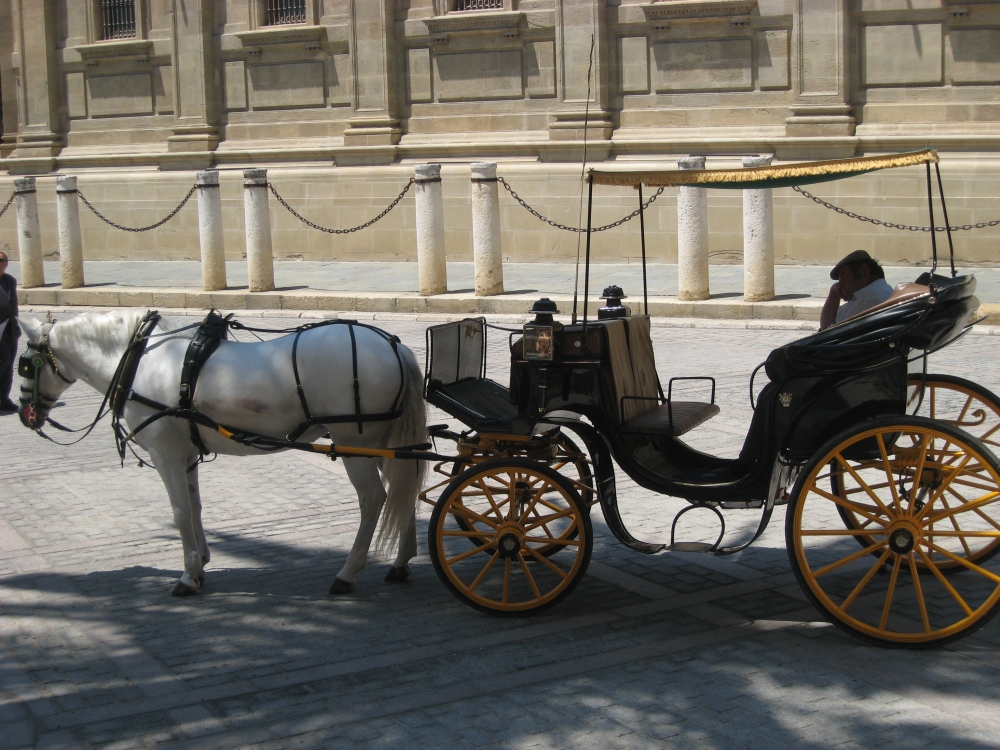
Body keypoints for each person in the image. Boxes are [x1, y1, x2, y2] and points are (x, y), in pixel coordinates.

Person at [819, 250, 894, 330]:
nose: (840, 286)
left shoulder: (869, 299)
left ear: (864, 272)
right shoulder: (883, 291)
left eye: (844, 278)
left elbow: (827, 331)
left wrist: (833, 293)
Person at [0, 251, 20, 412]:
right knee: (3, 361)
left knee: (8, 364)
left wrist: (16, 325)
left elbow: (13, 305)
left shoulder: (10, 281)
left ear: (6, 263)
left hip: (10, 329)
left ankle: (4, 398)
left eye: (2, 260)